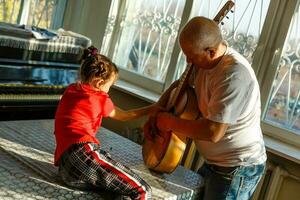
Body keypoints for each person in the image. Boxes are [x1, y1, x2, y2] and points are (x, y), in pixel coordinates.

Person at [152, 16, 267, 200]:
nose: (188, 61)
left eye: (191, 56)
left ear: (211, 52)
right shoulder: (202, 62)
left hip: (237, 168)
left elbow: (213, 132)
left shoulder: (234, 76)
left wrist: (170, 123)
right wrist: (158, 108)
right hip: (215, 163)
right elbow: (179, 84)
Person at [54, 46, 157, 200]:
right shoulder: (100, 97)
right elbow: (124, 116)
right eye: (110, 86)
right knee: (142, 190)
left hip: (65, 168)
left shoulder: (71, 90)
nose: (109, 90)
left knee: (116, 191)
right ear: (99, 82)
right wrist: (152, 109)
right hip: (82, 154)